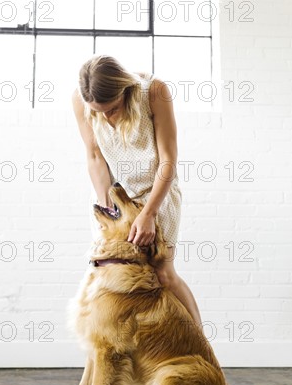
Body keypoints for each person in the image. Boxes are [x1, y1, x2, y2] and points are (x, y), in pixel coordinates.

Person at [72, 54, 203, 329]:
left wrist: (148, 213)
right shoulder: (80, 99)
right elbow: (94, 156)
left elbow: (168, 160)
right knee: (107, 276)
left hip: (157, 193)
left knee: (163, 275)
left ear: (124, 90)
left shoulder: (153, 91)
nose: (105, 117)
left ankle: (202, 348)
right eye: (98, 111)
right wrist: (107, 206)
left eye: (112, 109)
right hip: (112, 197)